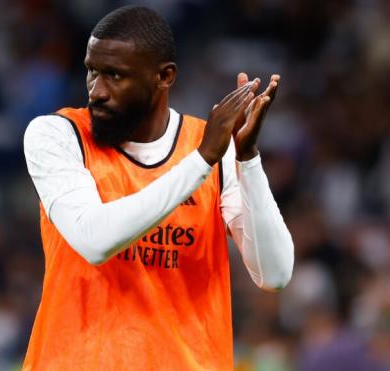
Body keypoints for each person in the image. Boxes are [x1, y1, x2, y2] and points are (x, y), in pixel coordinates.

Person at [22, 5, 294, 370]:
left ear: (163, 77)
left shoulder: (214, 147)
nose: (96, 91)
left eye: (114, 75)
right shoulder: (58, 135)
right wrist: (200, 162)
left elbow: (274, 274)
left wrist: (247, 159)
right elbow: (94, 240)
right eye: (92, 71)